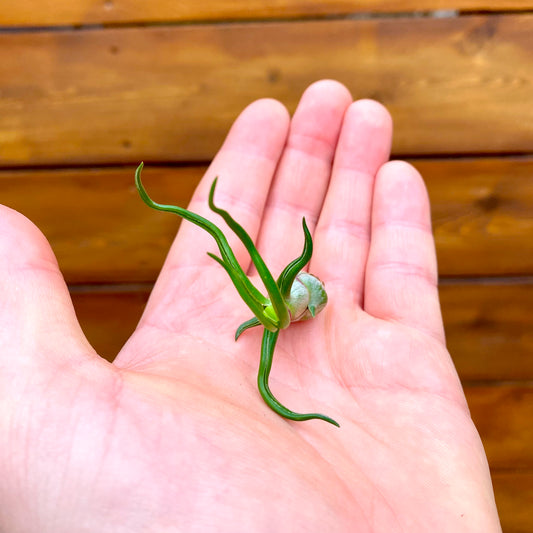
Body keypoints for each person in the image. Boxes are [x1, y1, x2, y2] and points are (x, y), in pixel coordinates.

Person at [0, 80, 501, 532]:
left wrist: (292, 298)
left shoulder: (291, 301)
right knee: (221, 228)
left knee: (228, 232)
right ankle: (172, 205)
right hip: (299, 302)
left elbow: (288, 277)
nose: (261, 310)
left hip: (306, 300)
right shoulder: (272, 311)